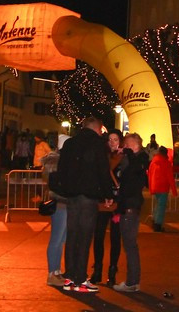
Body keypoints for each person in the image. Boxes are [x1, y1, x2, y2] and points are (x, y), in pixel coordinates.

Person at [61, 117, 115, 294]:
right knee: (85, 236)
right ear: (97, 129)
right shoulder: (97, 144)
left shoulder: (70, 144)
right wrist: (108, 194)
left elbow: (62, 169)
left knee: (72, 235)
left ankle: (69, 277)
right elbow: (103, 170)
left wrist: (66, 188)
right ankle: (81, 279)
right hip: (89, 195)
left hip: (72, 195)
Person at [113, 133, 149, 293]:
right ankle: (132, 281)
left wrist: (126, 154)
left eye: (127, 144)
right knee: (129, 245)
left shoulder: (139, 159)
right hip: (128, 206)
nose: (124, 147)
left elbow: (133, 175)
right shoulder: (133, 160)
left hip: (130, 207)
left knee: (130, 245)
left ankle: (132, 282)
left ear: (134, 146)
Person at [91, 130, 124, 286]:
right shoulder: (101, 157)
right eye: (110, 139)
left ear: (120, 141)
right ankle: (97, 269)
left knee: (115, 238)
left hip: (117, 203)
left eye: (115, 139)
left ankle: (112, 271)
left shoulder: (124, 158)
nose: (112, 142)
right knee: (98, 236)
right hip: (102, 202)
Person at [42, 135, 69, 287]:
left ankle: (56, 271)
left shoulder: (57, 161)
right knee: (57, 239)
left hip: (63, 202)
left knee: (60, 239)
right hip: (60, 202)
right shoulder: (56, 161)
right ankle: (52, 272)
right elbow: (55, 182)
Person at [146, 145, 175, 231]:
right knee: (161, 206)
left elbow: (150, 175)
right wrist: (174, 191)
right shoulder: (166, 163)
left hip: (155, 186)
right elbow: (170, 177)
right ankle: (158, 224)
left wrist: (151, 187)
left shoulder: (153, 162)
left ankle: (155, 221)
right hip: (163, 187)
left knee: (157, 205)